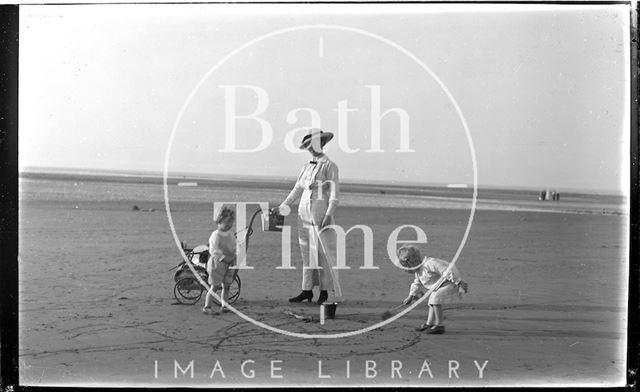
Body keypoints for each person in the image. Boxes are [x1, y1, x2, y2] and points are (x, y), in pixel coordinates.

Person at [278, 128, 342, 305]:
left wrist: (329, 215)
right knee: (306, 251)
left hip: (320, 210)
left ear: (321, 143)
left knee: (322, 252)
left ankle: (323, 292)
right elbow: (297, 189)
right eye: (307, 145)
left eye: (313, 144)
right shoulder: (306, 166)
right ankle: (306, 290)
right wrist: (283, 206)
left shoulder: (330, 165)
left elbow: (335, 195)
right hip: (303, 210)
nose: (310, 148)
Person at [397, 244, 468, 334]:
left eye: (407, 268)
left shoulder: (430, 263)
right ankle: (429, 323)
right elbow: (417, 283)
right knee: (432, 302)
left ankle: (439, 325)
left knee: (434, 299)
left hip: (450, 283)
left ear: (412, 262)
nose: (407, 271)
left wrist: (459, 282)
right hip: (440, 286)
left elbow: (447, 270)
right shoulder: (418, 271)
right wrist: (411, 296)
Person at [203, 205, 237, 315]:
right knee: (215, 286)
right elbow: (214, 250)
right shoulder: (216, 235)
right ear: (219, 220)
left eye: (231, 223)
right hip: (218, 264)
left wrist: (234, 256)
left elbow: (234, 247)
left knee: (226, 286)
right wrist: (224, 258)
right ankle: (207, 307)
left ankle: (225, 306)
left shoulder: (230, 235)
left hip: (230, 263)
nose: (229, 225)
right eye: (227, 222)